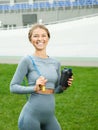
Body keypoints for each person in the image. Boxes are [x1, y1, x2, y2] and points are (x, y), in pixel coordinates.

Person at [10, 24, 73, 130]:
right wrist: (34, 88)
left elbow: (55, 90)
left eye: (43, 35)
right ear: (30, 39)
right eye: (36, 36)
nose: (40, 39)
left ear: (48, 38)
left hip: (49, 117)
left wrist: (63, 87)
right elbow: (13, 87)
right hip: (31, 117)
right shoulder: (27, 60)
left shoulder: (56, 62)